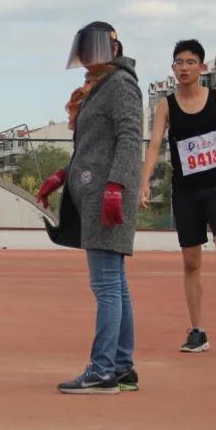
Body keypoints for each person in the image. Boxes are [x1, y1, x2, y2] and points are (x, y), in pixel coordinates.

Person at [39, 22, 142, 394]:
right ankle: (120, 367)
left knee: (107, 285)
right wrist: (62, 174)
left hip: (106, 196)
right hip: (94, 191)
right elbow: (94, 149)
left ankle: (101, 371)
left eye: (97, 47)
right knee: (115, 284)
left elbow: (130, 139)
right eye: (85, 48)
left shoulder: (120, 84)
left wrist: (118, 184)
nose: (89, 56)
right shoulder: (97, 88)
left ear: (114, 48)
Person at [140, 39, 216, 353]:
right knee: (191, 261)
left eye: (191, 62)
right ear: (173, 68)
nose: (185, 67)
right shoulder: (166, 105)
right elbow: (154, 145)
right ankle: (197, 331)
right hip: (186, 192)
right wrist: (145, 181)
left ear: (202, 67)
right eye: (179, 62)